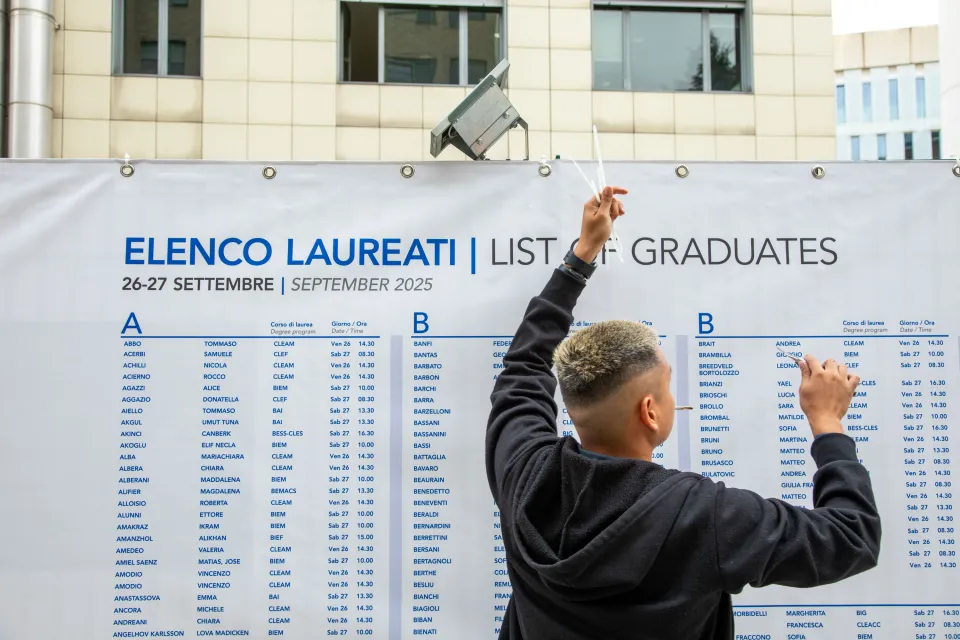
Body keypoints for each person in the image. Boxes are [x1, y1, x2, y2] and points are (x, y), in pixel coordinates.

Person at [484, 185, 882, 640]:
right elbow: (852, 539)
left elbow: (523, 366)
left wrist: (582, 256)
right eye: (668, 384)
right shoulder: (703, 516)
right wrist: (828, 424)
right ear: (650, 412)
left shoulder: (522, 474)